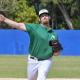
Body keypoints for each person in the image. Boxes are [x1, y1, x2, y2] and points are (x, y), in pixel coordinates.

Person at [0, 9, 62, 80]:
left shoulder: (53, 34)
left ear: (49, 17)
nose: (44, 17)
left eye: (46, 15)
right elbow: (18, 25)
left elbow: (56, 53)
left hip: (46, 60)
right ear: (39, 19)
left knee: (41, 78)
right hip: (33, 60)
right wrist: (4, 19)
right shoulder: (34, 28)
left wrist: (57, 50)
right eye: (42, 16)